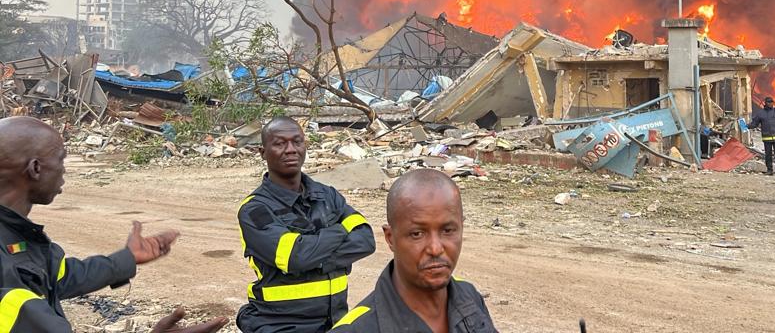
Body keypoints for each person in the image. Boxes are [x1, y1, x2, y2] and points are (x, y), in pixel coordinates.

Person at [0, 116, 226, 333]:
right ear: (35, 169)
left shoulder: (15, 234)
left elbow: (58, 277)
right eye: (61, 159)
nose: (64, 169)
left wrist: (126, 258)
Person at [237, 116, 376, 333]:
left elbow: (365, 239)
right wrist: (339, 230)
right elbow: (296, 257)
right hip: (280, 325)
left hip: (335, 322)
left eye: (297, 141)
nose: (290, 149)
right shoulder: (254, 210)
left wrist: (316, 257)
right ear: (263, 152)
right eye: (280, 143)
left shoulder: (326, 194)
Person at [331, 169, 498, 332]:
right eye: (417, 234)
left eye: (447, 231)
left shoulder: (468, 297)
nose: (435, 248)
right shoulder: (358, 328)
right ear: (390, 238)